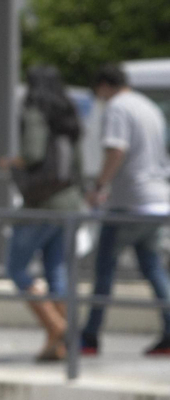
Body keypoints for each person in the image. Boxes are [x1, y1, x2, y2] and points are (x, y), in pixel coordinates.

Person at [81, 62, 170, 357]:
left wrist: (99, 186)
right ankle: (169, 333)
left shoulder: (117, 108)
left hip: (130, 202)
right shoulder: (149, 107)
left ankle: (90, 337)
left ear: (104, 85)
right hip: (157, 201)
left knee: (104, 271)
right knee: (154, 270)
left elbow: (116, 149)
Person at [0, 65, 85, 361]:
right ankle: (61, 344)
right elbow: (79, 164)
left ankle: (57, 326)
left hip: (43, 203)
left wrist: (13, 161)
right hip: (70, 201)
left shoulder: (35, 110)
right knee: (56, 271)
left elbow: (33, 153)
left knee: (15, 267)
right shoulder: (68, 113)